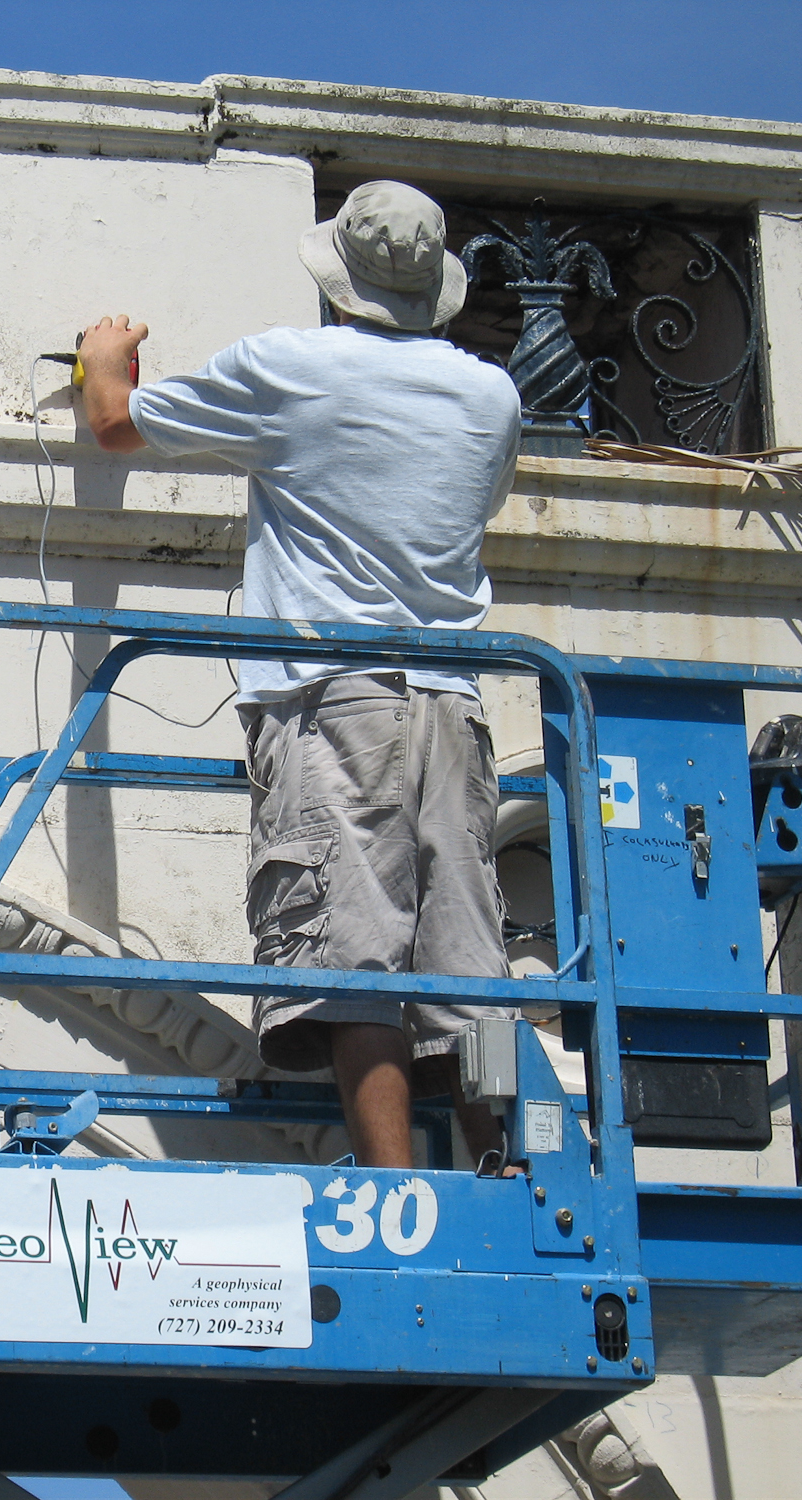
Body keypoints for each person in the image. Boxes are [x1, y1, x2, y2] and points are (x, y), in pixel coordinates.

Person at [76, 180, 521, 1171]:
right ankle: (503, 1161)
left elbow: (114, 422)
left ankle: (391, 1186)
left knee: (349, 946)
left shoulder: (291, 367)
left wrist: (104, 356)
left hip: (333, 700)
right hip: (452, 696)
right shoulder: (489, 395)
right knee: (468, 959)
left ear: (338, 279)